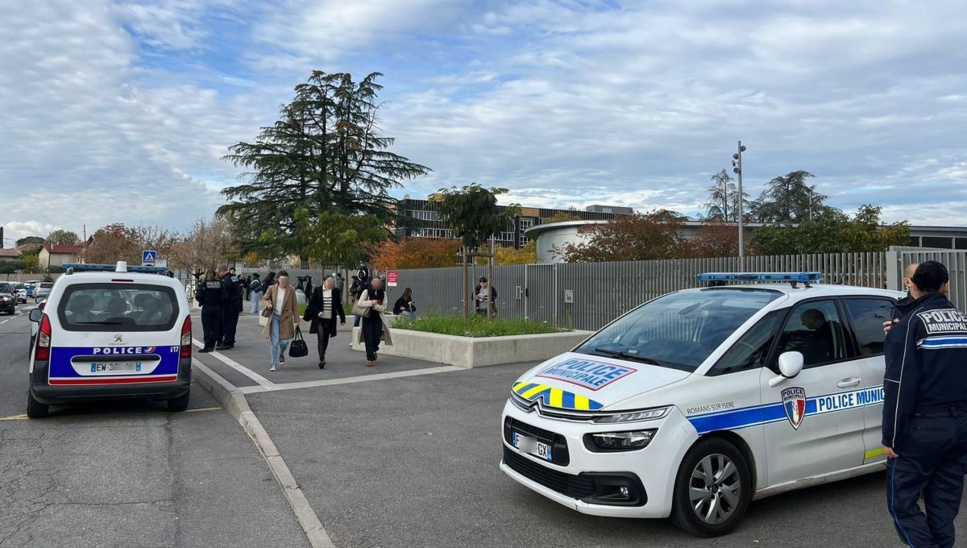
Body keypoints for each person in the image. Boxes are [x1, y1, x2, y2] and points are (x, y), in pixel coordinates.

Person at [882, 261, 967, 548]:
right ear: (946, 286)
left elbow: (898, 385)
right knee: (943, 507)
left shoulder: (909, 326)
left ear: (913, 285)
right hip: (959, 428)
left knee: (902, 503)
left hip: (922, 429)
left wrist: (890, 436)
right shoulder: (964, 321)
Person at [260, 270, 300, 372]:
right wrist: (267, 304)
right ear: (277, 279)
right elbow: (264, 299)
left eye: (286, 280)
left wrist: (297, 319)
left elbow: (294, 305)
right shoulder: (272, 288)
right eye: (282, 280)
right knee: (275, 343)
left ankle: (281, 353)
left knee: (284, 342)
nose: (284, 282)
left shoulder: (291, 290)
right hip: (275, 317)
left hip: (286, 318)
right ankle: (273, 364)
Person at [354, 276, 393, 367]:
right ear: (372, 283)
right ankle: (370, 358)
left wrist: (376, 306)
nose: (377, 285)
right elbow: (360, 303)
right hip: (367, 317)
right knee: (368, 337)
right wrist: (372, 302)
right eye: (375, 283)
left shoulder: (383, 293)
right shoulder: (366, 292)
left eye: (379, 283)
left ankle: (374, 349)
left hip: (377, 318)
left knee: (377, 336)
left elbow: (384, 306)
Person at [308, 276, 346, 369]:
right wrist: (318, 312)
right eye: (329, 283)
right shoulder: (318, 290)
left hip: (330, 318)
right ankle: (322, 358)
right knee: (321, 337)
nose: (331, 285)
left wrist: (342, 318)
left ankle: (323, 351)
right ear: (324, 282)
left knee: (326, 338)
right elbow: (311, 304)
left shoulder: (335, 291)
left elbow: (338, 305)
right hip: (319, 318)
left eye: (333, 283)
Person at [194, 269, 224, 353]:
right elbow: (224, 296)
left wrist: (203, 299)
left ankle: (207, 346)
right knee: (215, 327)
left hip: (207, 307)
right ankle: (212, 344)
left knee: (207, 328)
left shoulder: (204, 284)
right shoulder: (219, 284)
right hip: (217, 307)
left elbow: (198, 296)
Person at [217, 265, 242, 350]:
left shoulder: (226, 279)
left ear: (221, 271)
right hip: (236, 302)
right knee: (233, 323)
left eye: (218, 272)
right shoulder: (234, 277)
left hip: (229, 303)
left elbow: (225, 290)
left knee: (227, 323)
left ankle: (227, 342)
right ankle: (231, 340)